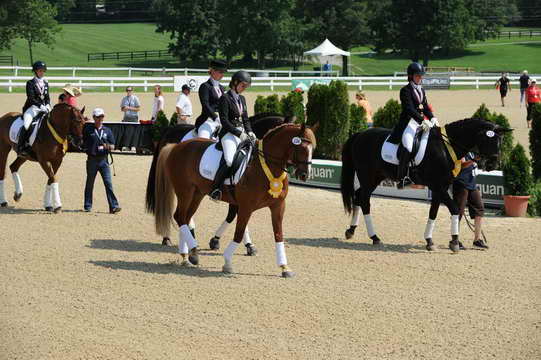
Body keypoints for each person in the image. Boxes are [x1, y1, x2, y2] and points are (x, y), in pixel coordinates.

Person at [388, 62, 437, 189]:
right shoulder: (405, 91)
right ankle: (402, 178)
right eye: (417, 76)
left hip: (421, 123)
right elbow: (409, 109)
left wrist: (432, 117)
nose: (420, 78)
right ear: (411, 76)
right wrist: (422, 120)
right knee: (409, 146)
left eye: (421, 76)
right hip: (408, 123)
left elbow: (425, 107)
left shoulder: (421, 90)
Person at [209, 71, 255, 201]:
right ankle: (216, 189)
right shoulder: (225, 98)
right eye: (243, 85)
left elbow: (245, 119)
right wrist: (239, 133)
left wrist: (250, 131)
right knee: (229, 160)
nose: (244, 88)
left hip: (242, 133)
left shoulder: (242, 99)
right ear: (235, 83)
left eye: (246, 86)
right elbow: (224, 121)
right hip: (228, 134)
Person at [83, 108, 121, 214]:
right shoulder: (88, 130)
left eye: (102, 117)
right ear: (94, 118)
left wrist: (107, 146)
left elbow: (113, 146)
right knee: (90, 183)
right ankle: (87, 205)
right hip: (92, 160)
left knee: (108, 183)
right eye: (98, 117)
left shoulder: (107, 131)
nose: (100, 119)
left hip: (104, 161)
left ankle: (113, 206)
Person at [452, 152, 488, 249]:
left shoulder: (473, 152)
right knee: (458, 212)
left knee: (479, 209)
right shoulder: (461, 151)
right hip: (461, 184)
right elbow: (462, 165)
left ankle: (477, 239)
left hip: (472, 185)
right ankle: (455, 239)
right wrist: (473, 160)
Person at [18, 60, 51, 155]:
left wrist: (48, 104)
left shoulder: (46, 83)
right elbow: (31, 98)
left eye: (43, 71)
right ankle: (22, 146)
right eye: (40, 70)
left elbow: (47, 97)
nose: (42, 72)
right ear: (35, 71)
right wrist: (41, 106)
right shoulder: (30, 83)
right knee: (27, 124)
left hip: (44, 108)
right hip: (32, 108)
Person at [195, 59, 227, 138]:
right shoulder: (205, 86)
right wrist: (215, 117)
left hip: (222, 120)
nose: (222, 75)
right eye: (220, 72)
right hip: (208, 120)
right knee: (203, 139)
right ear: (212, 71)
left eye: (223, 72)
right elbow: (205, 105)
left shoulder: (222, 88)